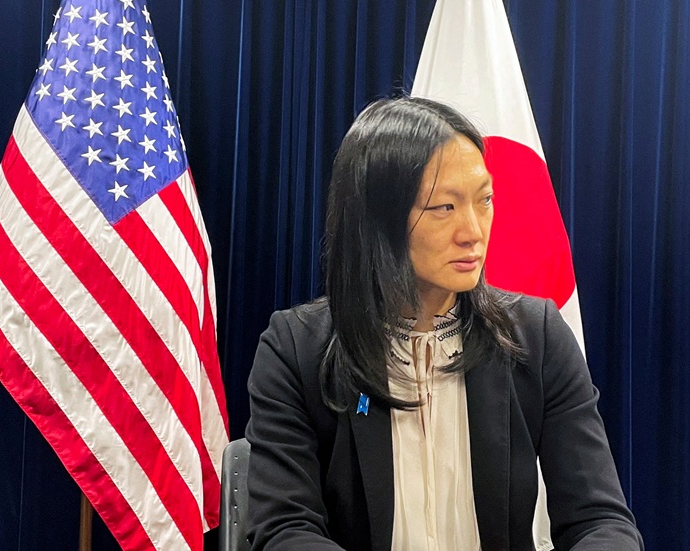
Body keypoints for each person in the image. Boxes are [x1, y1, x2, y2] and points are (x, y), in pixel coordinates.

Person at [245, 97, 643, 550]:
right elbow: (284, 529)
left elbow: (601, 520)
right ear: (378, 221)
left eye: (485, 200)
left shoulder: (537, 337)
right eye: (444, 208)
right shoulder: (296, 350)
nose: (473, 231)